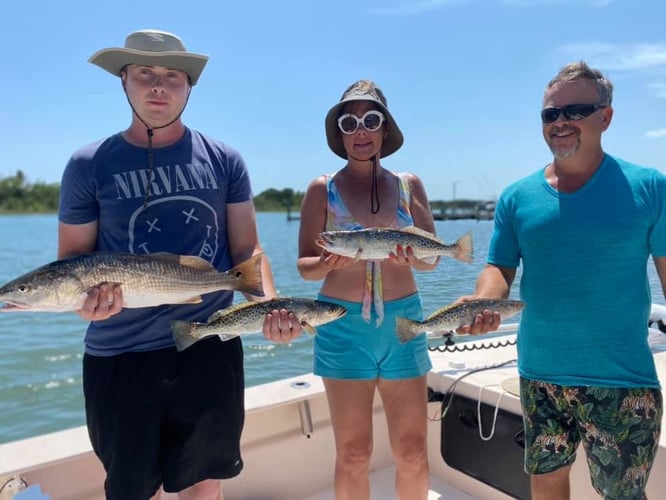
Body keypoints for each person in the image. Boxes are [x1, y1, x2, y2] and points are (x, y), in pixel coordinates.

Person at [58, 29, 302, 500]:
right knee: (131, 490)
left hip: (209, 349)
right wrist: (84, 305)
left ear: (189, 87)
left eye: (172, 76)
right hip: (119, 356)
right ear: (124, 80)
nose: (158, 86)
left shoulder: (225, 160)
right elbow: (71, 263)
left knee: (205, 484)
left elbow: (247, 252)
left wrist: (268, 307)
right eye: (145, 74)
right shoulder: (87, 164)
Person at [457, 61, 666, 499]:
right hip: (540, 375)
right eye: (550, 114)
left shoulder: (649, 187)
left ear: (605, 117)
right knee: (546, 486)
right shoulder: (517, 197)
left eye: (575, 110)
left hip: (621, 380)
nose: (560, 122)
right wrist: (483, 304)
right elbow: (499, 268)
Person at [297, 80, 438, 500]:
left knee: (412, 451)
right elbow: (305, 267)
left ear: (384, 128)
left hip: (404, 324)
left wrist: (415, 258)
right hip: (341, 326)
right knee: (354, 454)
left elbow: (433, 257)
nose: (361, 131)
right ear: (339, 132)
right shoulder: (322, 189)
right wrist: (326, 263)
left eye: (370, 120)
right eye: (350, 121)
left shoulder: (409, 184)